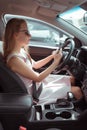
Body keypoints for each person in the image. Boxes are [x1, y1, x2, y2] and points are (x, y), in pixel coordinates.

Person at [3, 18, 83, 104]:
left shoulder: (21, 51)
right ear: (15, 35)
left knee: (72, 79)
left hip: (38, 84)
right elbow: (38, 78)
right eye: (26, 32)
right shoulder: (14, 60)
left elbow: (35, 65)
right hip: (36, 92)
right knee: (77, 90)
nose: (30, 35)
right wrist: (55, 62)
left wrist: (52, 56)